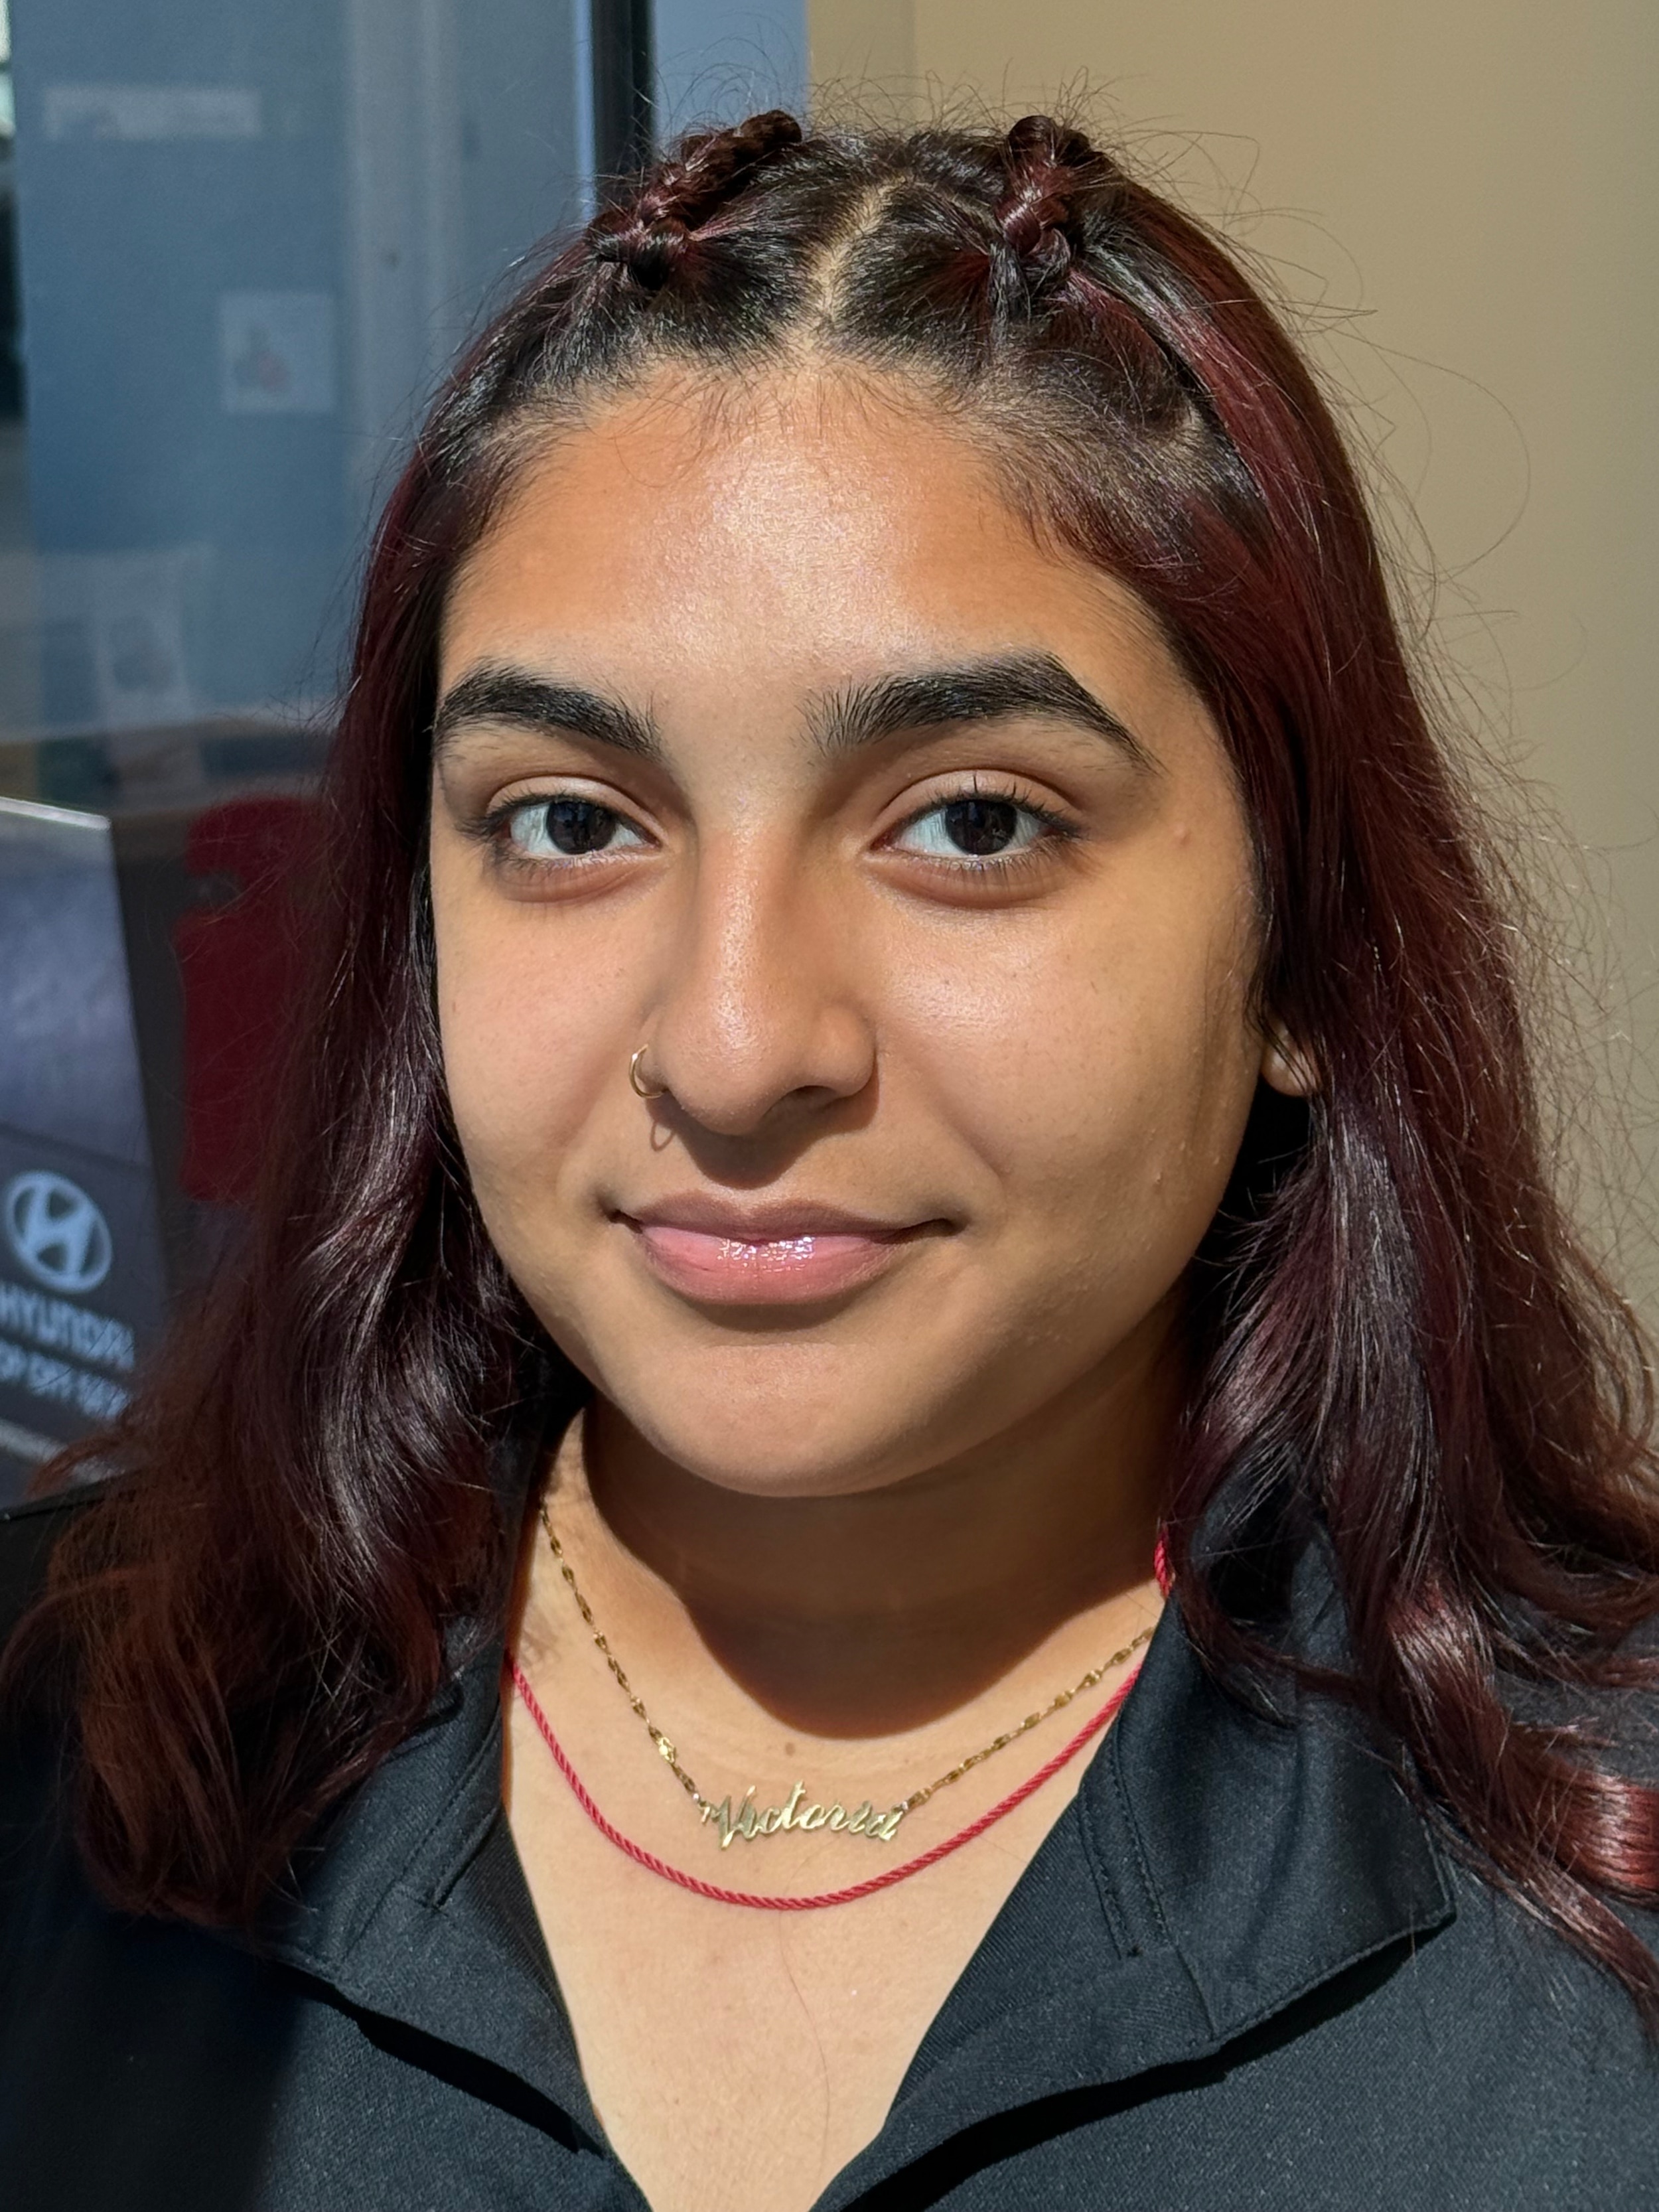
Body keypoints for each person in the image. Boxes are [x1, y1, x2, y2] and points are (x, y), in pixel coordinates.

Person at [3, 109, 1658, 2212]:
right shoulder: (61, 1739)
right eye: (568, 822)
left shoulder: (1589, 1927)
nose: (731, 1047)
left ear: (1300, 955)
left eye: (970, 823)